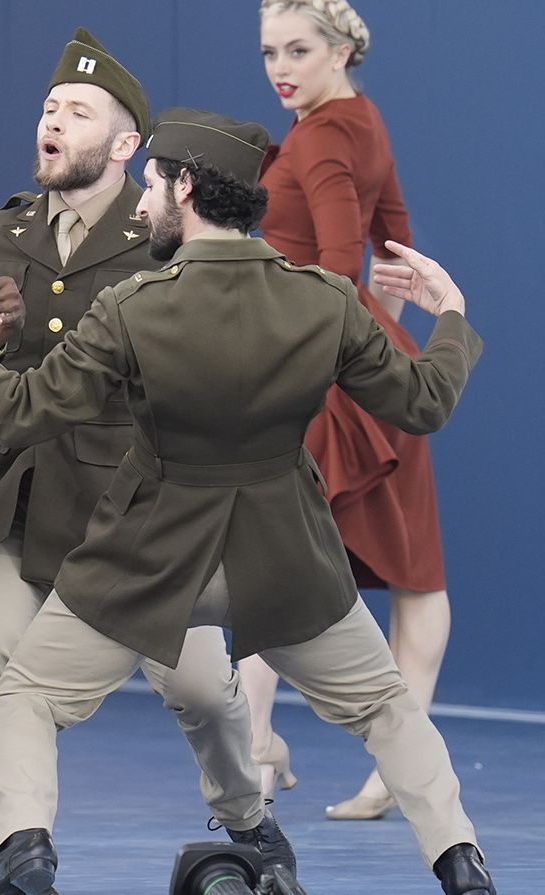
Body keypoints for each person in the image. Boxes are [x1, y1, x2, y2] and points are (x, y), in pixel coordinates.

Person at [0, 107, 492, 895]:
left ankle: (23, 846)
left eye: (152, 181)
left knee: (22, 699)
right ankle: (460, 861)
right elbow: (424, 402)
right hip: (287, 559)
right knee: (387, 710)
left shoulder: (133, 307)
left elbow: (19, 412)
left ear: (185, 187)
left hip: (149, 558)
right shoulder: (324, 298)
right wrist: (452, 313)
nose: (144, 199)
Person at [0, 31, 273, 868]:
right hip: (6, 497)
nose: (54, 120)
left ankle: (249, 815)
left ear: (124, 147)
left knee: (201, 690)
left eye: (78, 113)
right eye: (49, 108)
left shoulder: (168, 239)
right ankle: (16, 844)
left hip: (128, 509)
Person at [238, 0, 452, 821]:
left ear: (339, 51)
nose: (280, 68)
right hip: (372, 353)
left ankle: (258, 746)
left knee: (272, 554)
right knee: (408, 565)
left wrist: (307, 352)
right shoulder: (360, 118)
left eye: (297, 50)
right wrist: (401, 281)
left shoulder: (322, 134)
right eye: (268, 52)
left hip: (330, 361)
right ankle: (390, 766)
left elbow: (333, 265)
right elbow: (393, 240)